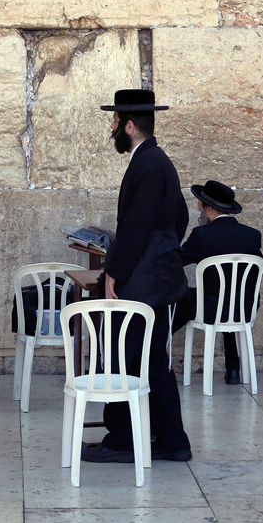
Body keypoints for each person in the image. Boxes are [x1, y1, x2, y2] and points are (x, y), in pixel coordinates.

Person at [82, 89, 192, 464]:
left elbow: (135, 227)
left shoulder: (148, 164)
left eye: (115, 121)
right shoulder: (157, 160)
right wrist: (162, 252)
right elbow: (179, 219)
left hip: (143, 283)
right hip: (153, 278)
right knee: (150, 361)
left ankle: (127, 440)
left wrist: (114, 271)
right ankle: (171, 441)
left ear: (129, 125)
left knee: (130, 359)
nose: (111, 127)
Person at [171, 180, 263, 385]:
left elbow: (176, 263)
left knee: (178, 300)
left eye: (201, 210)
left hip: (212, 308)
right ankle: (233, 369)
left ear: (210, 210)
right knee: (228, 296)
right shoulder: (253, 235)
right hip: (245, 307)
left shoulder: (202, 235)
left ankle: (155, 355)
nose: (200, 215)